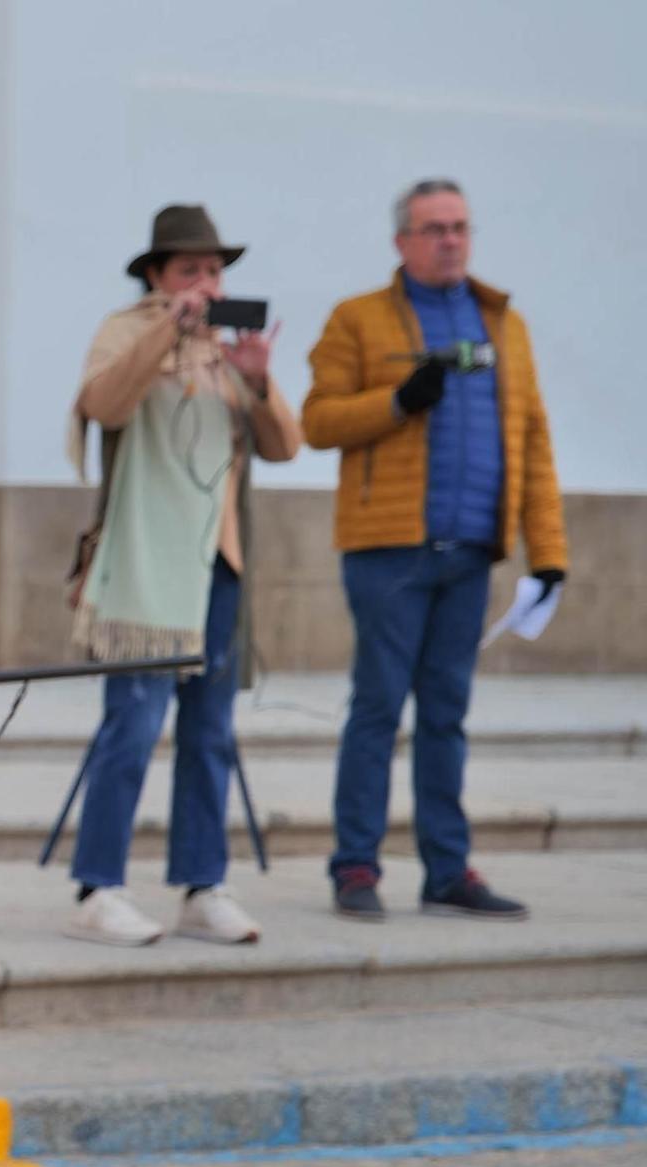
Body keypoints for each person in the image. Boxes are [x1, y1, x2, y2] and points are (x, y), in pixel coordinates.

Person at [304, 179, 567, 923]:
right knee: (378, 708)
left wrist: (547, 551)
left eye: (459, 227)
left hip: (471, 552)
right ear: (402, 241)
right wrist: (396, 401)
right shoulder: (357, 319)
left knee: (447, 713)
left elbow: (534, 440)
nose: (450, 240)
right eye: (433, 228)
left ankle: (447, 869)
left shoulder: (502, 324)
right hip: (388, 553)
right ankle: (356, 864)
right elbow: (317, 421)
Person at [62, 204, 302, 947]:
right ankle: (99, 886)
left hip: (216, 566)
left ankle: (203, 884)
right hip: (141, 567)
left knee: (210, 732)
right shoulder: (127, 330)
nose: (207, 280)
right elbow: (103, 403)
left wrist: (259, 382)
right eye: (191, 269)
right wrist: (170, 328)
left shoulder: (230, 353)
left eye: (215, 268)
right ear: (158, 276)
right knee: (131, 726)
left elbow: (286, 446)